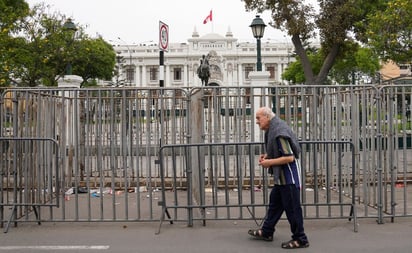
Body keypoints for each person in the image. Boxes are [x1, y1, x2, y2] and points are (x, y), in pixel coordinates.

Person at [248, 106, 309, 249]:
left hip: (289, 177)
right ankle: (267, 231)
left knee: (292, 209)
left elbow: (289, 157)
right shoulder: (273, 129)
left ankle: (301, 238)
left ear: (267, 117)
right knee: (275, 204)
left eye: (258, 118)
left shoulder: (279, 132)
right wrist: (268, 155)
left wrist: (269, 162)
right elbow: (279, 151)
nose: (257, 122)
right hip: (282, 177)